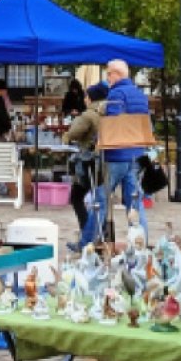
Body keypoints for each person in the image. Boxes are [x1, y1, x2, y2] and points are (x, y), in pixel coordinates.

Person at [90, 60, 151, 244]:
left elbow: (113, 123)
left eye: (109, 74)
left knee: (100, 200)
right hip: (136, 153)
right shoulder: (140, 95)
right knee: (135, 203)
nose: (107, 78)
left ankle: (91, 243)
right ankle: (141, 243)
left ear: (116, 74)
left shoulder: (116, 93)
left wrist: (102, 114)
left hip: (116, 154)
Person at [65, 82, 109, 248]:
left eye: (86, 96)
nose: (84, 99)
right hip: (105, 161)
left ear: (91, 98)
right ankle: (99, 233)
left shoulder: (89, 115)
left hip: (88, 161)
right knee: (100, 200)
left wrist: (66, 136)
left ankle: (87, 235)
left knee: (77, 197)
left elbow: (74, 133)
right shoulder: (109, 112)